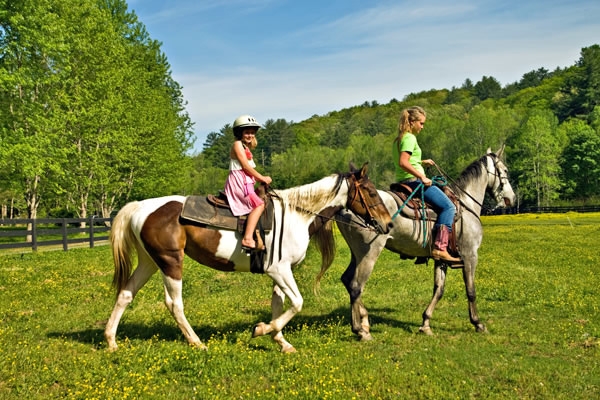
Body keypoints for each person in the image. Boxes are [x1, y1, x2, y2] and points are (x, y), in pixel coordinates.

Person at [392, 106, 460, 263]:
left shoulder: (399, 139)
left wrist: (422, 162)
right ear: (412, 122)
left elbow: (408, 160)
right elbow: (403, 162)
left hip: (402, 181)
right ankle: (440, 248)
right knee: (449, 207)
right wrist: (422, 176)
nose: (422, 127)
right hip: (414, 182)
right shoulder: (410, 138)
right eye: (421, 123)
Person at [224, 115, 272, 250]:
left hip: (246, 183)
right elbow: (245, 167)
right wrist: (262, 178)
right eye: (247, 132)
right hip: (239, 183)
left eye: (252, 132)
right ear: (240, 133)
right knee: (259, 205)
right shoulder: (237, 145)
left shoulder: (245, 147)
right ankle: (247, 238)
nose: (250, 135)